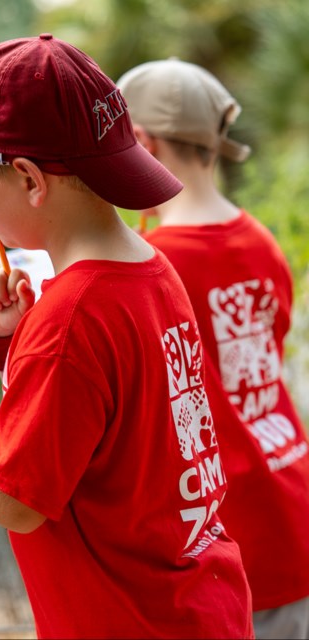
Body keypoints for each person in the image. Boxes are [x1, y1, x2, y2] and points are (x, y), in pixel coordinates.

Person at [0, 35, 254, 638]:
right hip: (195, 603)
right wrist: (12, 342)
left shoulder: (70, 318)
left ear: (29, 179)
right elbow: (102, 435)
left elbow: (17, 501)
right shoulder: (152, 272)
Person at [118, 58, 309, 639]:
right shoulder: (258, 239)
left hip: (233, 538)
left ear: (144, 143)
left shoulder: (158, 264)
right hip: (294, 499)